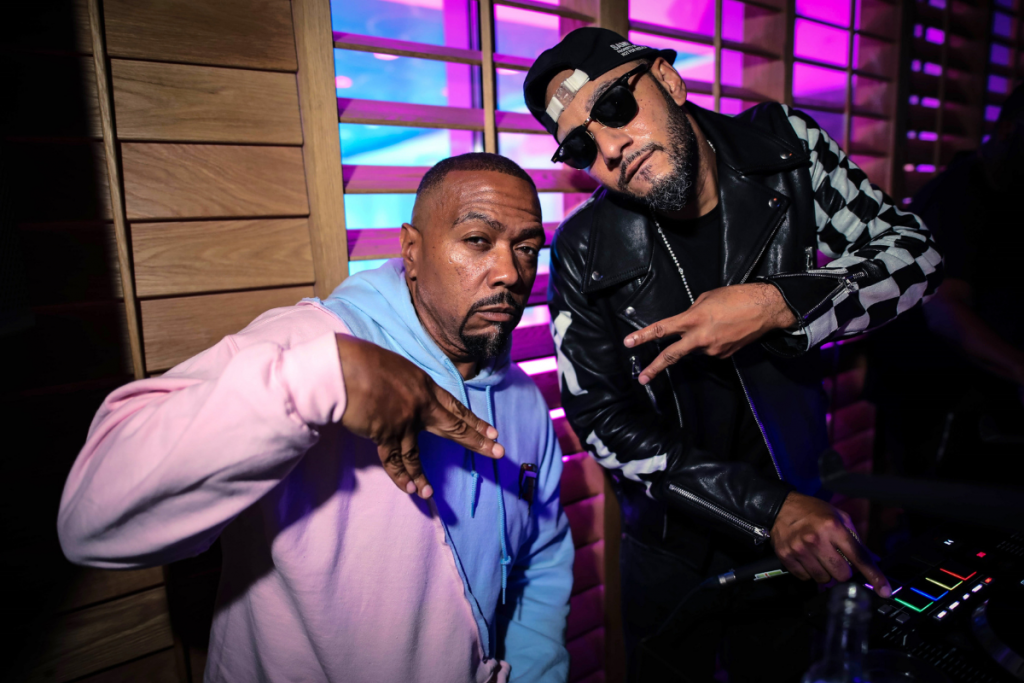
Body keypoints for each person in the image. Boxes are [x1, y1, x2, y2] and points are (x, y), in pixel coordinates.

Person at [522, 28, 942, 681]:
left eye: (614, 107)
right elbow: (600, 419)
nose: (609, 148)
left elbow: (917, 256)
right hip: (671, 543)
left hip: (800, 532)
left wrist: (778, 303)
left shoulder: (785, 149)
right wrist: (767, 509)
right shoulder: (583, 247)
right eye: (581, 146)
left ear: (668, 80)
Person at [57, 154, 574, 683]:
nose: (511, 272)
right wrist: (322, 378)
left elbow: (541, 561)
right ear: (412, 251)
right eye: (478, 241)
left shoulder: (522, 400)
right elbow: (91, 519)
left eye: (526, 248)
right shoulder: (313, 342)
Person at [867, 83, 1024, 489]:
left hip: (972, 398)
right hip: (933, 400)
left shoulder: (1005, 198)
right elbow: (945, 311)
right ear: (1009, 128)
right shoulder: (956, 198)